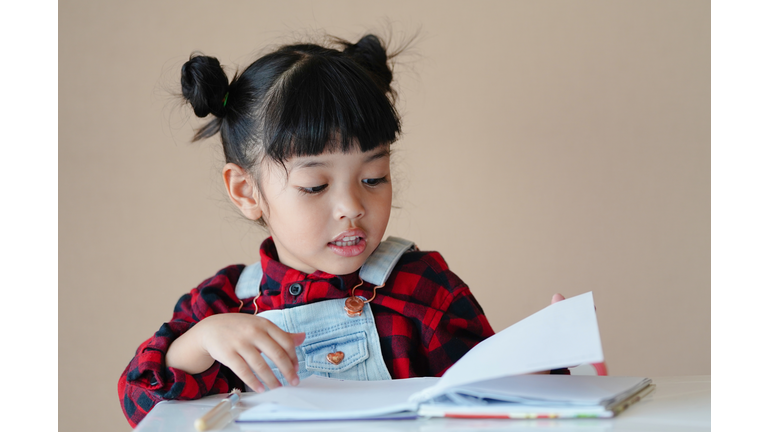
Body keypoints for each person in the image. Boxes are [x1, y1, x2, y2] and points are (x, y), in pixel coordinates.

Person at [117, 33, 566, 428]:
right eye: (315, 186)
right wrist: (201, 340)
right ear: (246, 191)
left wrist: (541, 363)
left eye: (374, 178)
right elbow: (142, 404)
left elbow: (485, 401)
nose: (352, 207)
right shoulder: (224, 304)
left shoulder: (422, 286)